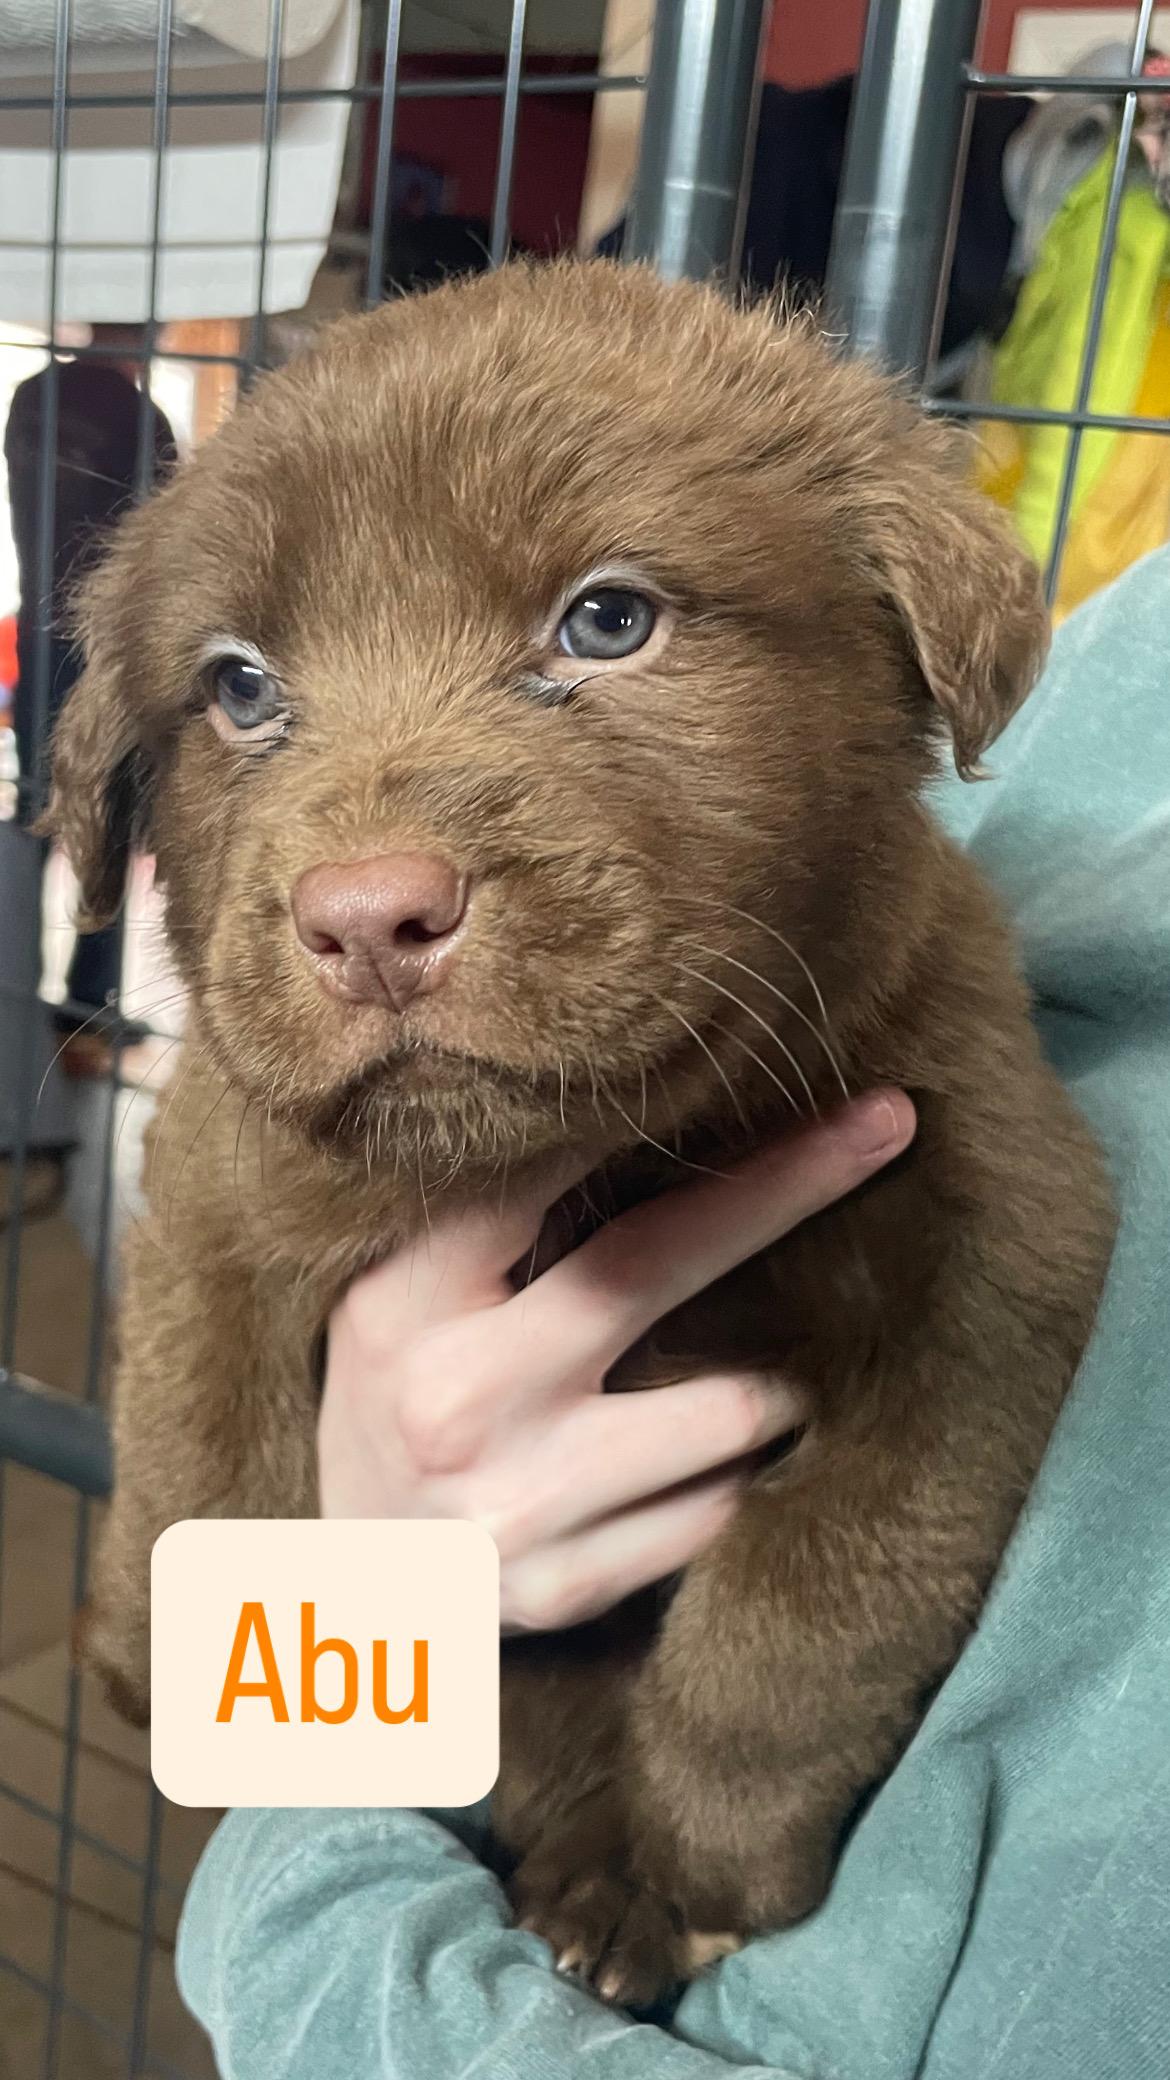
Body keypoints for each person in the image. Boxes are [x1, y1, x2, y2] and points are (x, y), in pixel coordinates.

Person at [177, 546, 1170, 2078]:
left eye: (606, 622)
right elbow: (276, 1761)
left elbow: (288, 1869)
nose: (361, 875)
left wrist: (305, 1847)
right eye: (246, 691)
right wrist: (331, 1620)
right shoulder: (1126, 655)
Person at [3, 338, 176, 1067]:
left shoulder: (31, 400)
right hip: (108, 641)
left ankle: (11, 991)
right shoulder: (143, 418)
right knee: (109, 815)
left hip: (41, 626)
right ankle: (85, 1011)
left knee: (35, 814)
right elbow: (161, 540)